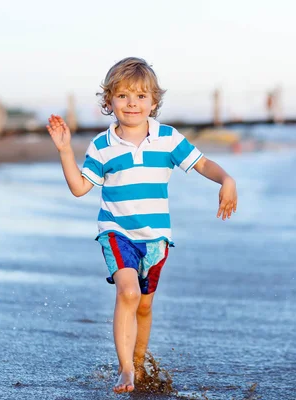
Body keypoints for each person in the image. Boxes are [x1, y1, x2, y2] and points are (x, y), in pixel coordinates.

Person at [46, 57, 238, 393]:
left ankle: (137, 363)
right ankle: (126, 370)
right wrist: (65, 151)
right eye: (122, 96)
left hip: (156, 239)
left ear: (153, 102)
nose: (132, 103)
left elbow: (202, 163)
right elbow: (79, 188)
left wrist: (227, 179)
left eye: (140, 96)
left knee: (145, 305)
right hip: (117, 232)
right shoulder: (102, 147)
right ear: (109, 101)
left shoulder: (167, 139)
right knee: (129, 292)